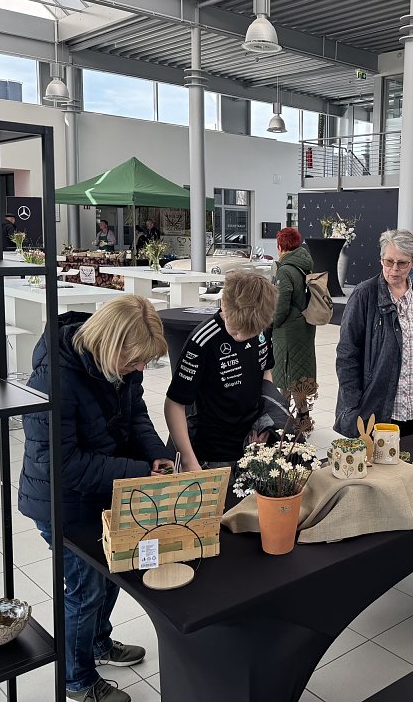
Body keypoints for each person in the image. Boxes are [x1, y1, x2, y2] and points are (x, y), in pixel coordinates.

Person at [17, 295, 175, 702]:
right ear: (109, 344)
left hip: (103, 489)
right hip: (61, 502)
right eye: (134, 361)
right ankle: (78, 679)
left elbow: (135, 414)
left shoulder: (117, 365)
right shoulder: (54, 378)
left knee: (110, 574)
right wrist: (138, 471)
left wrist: (155, 454)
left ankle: (99, 643)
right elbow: (61, 465)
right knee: (85, 589)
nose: (139, 370)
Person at [164, 270, 278, 472]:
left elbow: (265, 373)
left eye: (250, 332)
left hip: (253, 443)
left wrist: (267, 421)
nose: (241, 336)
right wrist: (189, 461)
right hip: (213, 453)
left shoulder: (262, 326)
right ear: (223, 304)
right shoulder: (202, 341)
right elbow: (174, 404)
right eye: (235, 329)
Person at [335, 229, 413, 438]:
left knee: (410, 456)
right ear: (381, 260)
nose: (394, 269)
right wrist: (354, 401)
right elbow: (347, 353)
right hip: (376, 409)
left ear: (412, 263)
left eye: (402, 263)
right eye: (388, 261)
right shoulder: (364, 295)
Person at [271, 227, 317, 421]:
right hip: (304, 326)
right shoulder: (304, 266)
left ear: (280, 246)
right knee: (299, 375)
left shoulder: (285, 270)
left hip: (288, 332)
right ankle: (303, 418)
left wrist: (271, 324)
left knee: (286, 377)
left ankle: (283, 421)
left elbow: (280, 306)